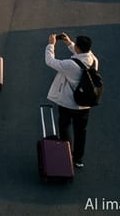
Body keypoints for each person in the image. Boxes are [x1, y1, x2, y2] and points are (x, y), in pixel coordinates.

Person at [45, 33, 99, 168]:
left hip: (68, 103)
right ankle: (78, 159)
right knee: (81, 131)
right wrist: (69, 43)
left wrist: (51, 44)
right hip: (85, 105)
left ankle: (66, 154)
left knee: (64, 127)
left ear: (78, 49)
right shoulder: (93, 60)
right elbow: (82, 55)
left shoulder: (70, 65)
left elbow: (50, 61)